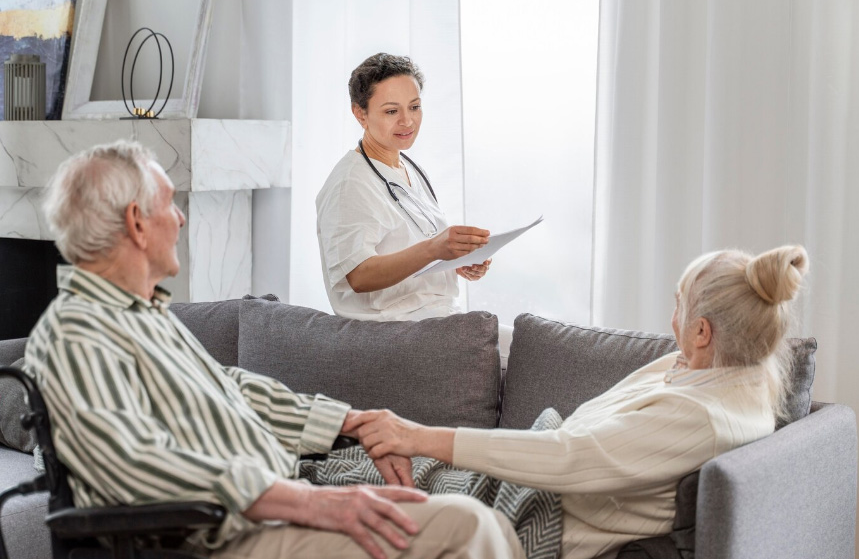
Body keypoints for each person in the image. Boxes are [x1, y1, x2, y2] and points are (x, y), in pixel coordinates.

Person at [25, 140, 524, 559]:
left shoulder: (141, 317)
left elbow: (232, 389)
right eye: (170, 204)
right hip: (215, 539)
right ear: (137, 223)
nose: (179, 219)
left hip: (264, 511)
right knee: (465, 527)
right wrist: (312, 504)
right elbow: (134, 461)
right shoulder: (77, 332)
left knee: (494, 524)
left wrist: (352, 423)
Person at [346, 245, 809, 559]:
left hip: (541, 517)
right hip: (539, 481)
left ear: (703, 331)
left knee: (356, 493)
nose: (672, 321)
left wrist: (417, 436)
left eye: (678, 306)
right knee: (352, 467)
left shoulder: (705, 417)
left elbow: (569, 456)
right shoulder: (709, 373)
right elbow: (582, 431)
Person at [316, 53, 493, 322]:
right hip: (397, 331)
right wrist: (434, 248)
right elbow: (358, 275)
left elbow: (407, 250)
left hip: (439, 319)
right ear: (360, 114)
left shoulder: (406, 167)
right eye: (391, 111)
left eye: (414, 107)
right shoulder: (350, 183)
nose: (407, 121)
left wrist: (455, 262)